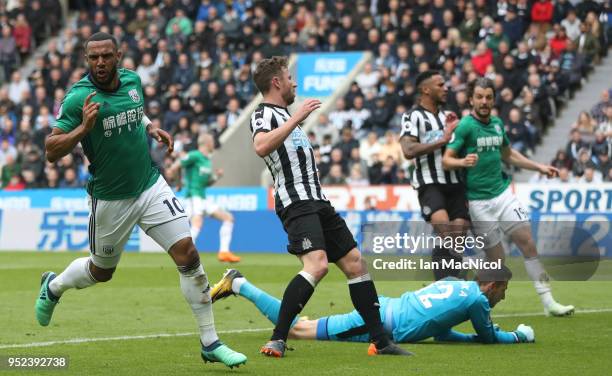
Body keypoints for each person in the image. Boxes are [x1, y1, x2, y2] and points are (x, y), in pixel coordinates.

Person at [34, 32, 246, 369]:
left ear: (118, 56)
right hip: (110, 198)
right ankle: (54, 286)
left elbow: (134, 108)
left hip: (150, 185)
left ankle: (210, 342)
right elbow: (50, 150)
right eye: (93, 58)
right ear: (86, 60)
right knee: (101, 272)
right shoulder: (78, 99)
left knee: (188, 253)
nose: (100, 63)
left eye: (106, 56)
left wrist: (149, 127)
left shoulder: (133, 80)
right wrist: (83, 129)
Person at [249, 56, 409, 357]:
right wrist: (297, 118)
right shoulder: (264, 115)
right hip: (296, 202)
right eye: (289, 77)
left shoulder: (284, 116)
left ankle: (381, 341)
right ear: (276, 82)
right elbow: (260, 147)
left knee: (355, 263)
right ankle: (278, 338)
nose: (294, 82)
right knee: (317, 265)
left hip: (318, 201)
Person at [442, 77, 574, 317]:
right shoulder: (465, 127)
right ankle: (475, 305)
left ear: (493, 99)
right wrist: (462, 161)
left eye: (488, 97)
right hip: (478, 203)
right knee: (497, 266)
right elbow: (446, 159)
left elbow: (508, 154)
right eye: (479, 97)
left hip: (503, 194)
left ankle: (549, 302)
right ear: (471, 99)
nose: (484, 101)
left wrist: (539, 167)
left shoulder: (497, 124)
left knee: (528, 243)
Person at [210, 266, 535, 348]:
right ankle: (237, 283)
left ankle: (238, 284)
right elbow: (490, 337)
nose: (502, 298)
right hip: (381, 323)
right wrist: (519, 336)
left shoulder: (455, 282)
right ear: (491, 285)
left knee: (299, 325)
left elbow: (439, 331)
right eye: (502, 291)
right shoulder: (477, 299)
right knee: (294, 330)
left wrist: (468, 340)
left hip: (386, 311)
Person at [399, 70, 470, 280]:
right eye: (440, 85)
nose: (446, 88)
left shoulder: (449, 116)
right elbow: (408, 150)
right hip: (430, 183)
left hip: (456, 182)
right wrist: (442, 140)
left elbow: (458, 146)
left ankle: (456, 286)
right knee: (446, 232)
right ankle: (446, 286)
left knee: (457, 239)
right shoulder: (413, 116)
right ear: (425, 89)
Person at [169, 133, 240, 263]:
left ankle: (224, 252)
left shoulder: (207, 160)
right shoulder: (195, 155)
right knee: (197, 222)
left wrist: (216, 177)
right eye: (212, 141)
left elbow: (206, 183)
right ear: (207, 143)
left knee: (228, 218)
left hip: (202, 197)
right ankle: (185, 253)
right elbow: (175, 167)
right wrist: (179, 184)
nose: (214, 144)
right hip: (193, 196)